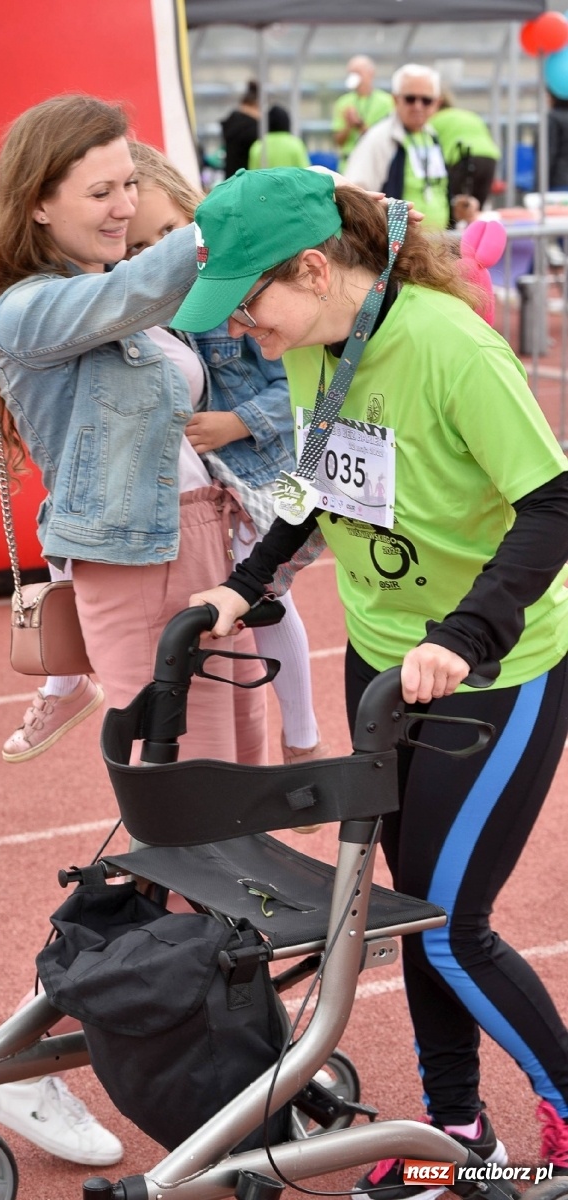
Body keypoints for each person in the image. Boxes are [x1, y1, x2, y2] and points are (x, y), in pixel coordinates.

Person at [170, 166, 568, 1187]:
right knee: (416, 910)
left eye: (250, 308)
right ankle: (456, 1137)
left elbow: (556, 504)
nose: (240, 333)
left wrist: (469, 634)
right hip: (385, 661)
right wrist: (248, 584)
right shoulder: (320, 342)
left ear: (313, 267)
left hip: (491, 671)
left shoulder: (449, 346)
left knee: (449, 924)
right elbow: (318, 477)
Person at [0, 94, 270, 1160]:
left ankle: (223, 1058)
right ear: (38, 204)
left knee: (233, 829)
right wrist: (226, 221)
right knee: (180, 832)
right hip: (130, 569)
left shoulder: (105, 291)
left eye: (130, 184)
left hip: (203, 554)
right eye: (101, 190)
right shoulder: (30, 312)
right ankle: (37, 1053)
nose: (123, 204)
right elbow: (153, 285)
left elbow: (218, 391)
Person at [126, 139, 323, 762]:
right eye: (136, 248)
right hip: (207, 488)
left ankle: (303, 734)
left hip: (257, 472)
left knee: (267, 591)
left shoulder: (225, 305)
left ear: (192, 218)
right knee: (230, 604)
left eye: (167, 232)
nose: (155, 254)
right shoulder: (148, 311)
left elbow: (291, 385)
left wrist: (236, 422)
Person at [345, 63, 451, 230]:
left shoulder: (431, 136)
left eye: (426, 100)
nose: (418, 106)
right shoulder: (378, 139)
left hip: (433, 247)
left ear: (437, 104)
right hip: (396, 249)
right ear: (395, 99)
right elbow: (355, 195)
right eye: (410, 99)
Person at [429, 92, 501, 210]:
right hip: (490, 157)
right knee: (476, 209)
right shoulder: (468, 115)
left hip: (462, 158)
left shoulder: (434, 120)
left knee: (456, 207)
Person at [331, 55, 394, 170]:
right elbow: (338, 141)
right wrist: (348, 126)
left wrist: (359, 124)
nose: (354, 77)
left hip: (375, 164)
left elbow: (385, 139)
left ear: (371, 73)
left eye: (358, 72)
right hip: (348, 164)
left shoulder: (387, 102)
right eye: (351, 73)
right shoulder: (343, 102)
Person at [248, 105, 310, 172]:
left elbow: (252, 175)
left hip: (266, 182)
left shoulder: (258, 146)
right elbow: (305, 172)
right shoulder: (296, 145)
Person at [221, 79, 260, 177]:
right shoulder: (253, 128)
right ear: (255, 105)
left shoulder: (231, 123)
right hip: (247, 181)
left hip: (230, 179)